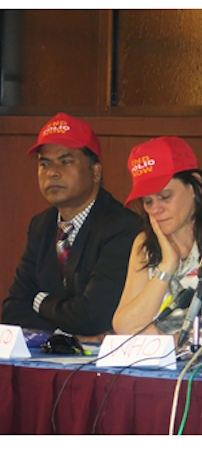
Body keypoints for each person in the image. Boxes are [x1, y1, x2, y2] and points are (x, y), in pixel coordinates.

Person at [1, 112, 140, 338]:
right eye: (44, 164)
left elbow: (94, 315)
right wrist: (65, 337)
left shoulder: (122, 226)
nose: (52, 173)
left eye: (65, 162)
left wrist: (39, 300)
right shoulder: (41, 225)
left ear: (95, 171)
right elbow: (13, 310)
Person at [112, 136, 202, 338]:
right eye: (147, 201)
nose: (156, 209)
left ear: (195, 187)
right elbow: (124, 327)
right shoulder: (144, 245)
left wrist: (174, 343)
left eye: (165, 197)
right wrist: (167, 265)